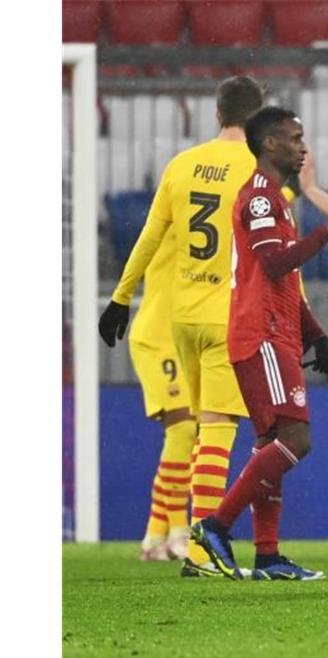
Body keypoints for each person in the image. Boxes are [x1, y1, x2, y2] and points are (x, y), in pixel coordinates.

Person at [98, 76, 267, 577]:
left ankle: (173, 533)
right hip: (220, 317)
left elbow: (148, 237)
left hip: (183, 319)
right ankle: (194, 545)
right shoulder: (260, 172)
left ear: (216, 114)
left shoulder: (183, 165)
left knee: (195, 428)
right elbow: (277, 256)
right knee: (212, 429)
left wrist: (118, 297)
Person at [190, 107, 328, 580]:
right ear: (269, 145)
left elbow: (286, 281)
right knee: (295, 440)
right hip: (261, 334)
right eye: (294, 138)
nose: (303, 147)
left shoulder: (276, 199)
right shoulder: (260, 197)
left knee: (271, 445)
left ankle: (267, 555)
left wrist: (319, 340)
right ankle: (216, 525)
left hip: (274, 330)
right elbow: (276, 264)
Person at [100, 223, 196, 563]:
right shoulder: (173, 217)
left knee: (187, 434)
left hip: (183, 337)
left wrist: (294, 191)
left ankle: (155, 537)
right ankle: (178, 532)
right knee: (184, 430)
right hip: (158, 337)